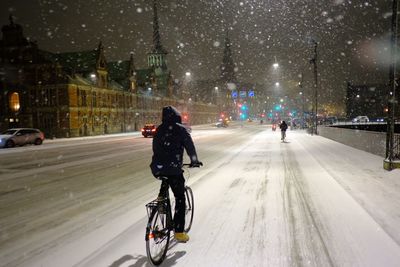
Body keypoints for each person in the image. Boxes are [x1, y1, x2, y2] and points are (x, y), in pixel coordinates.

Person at [150, 106, 202, 243]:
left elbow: (155, 148)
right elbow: (189, 147)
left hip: (157, 167)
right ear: (176, 116)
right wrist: (194, 161)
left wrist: (160, 163)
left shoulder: (160, 129)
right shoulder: (180, 130)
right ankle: (179, 232)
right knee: (180, 197)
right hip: (173, 168)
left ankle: (161, 197)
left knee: (165, 177)